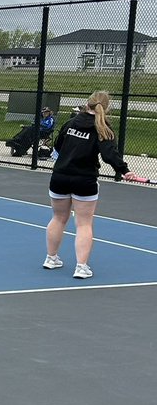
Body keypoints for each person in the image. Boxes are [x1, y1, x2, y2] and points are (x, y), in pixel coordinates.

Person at [44, 90, 129, 279]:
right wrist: (124, 170)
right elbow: (109, 155)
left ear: (87, 103)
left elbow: (58, 146)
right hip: (84, 180)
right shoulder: (103, 128)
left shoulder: (71, 123)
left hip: (60, 177)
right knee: (83, 223)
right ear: (106, 107)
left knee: (58, 218)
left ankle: (51, 258)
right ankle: (81, 267)